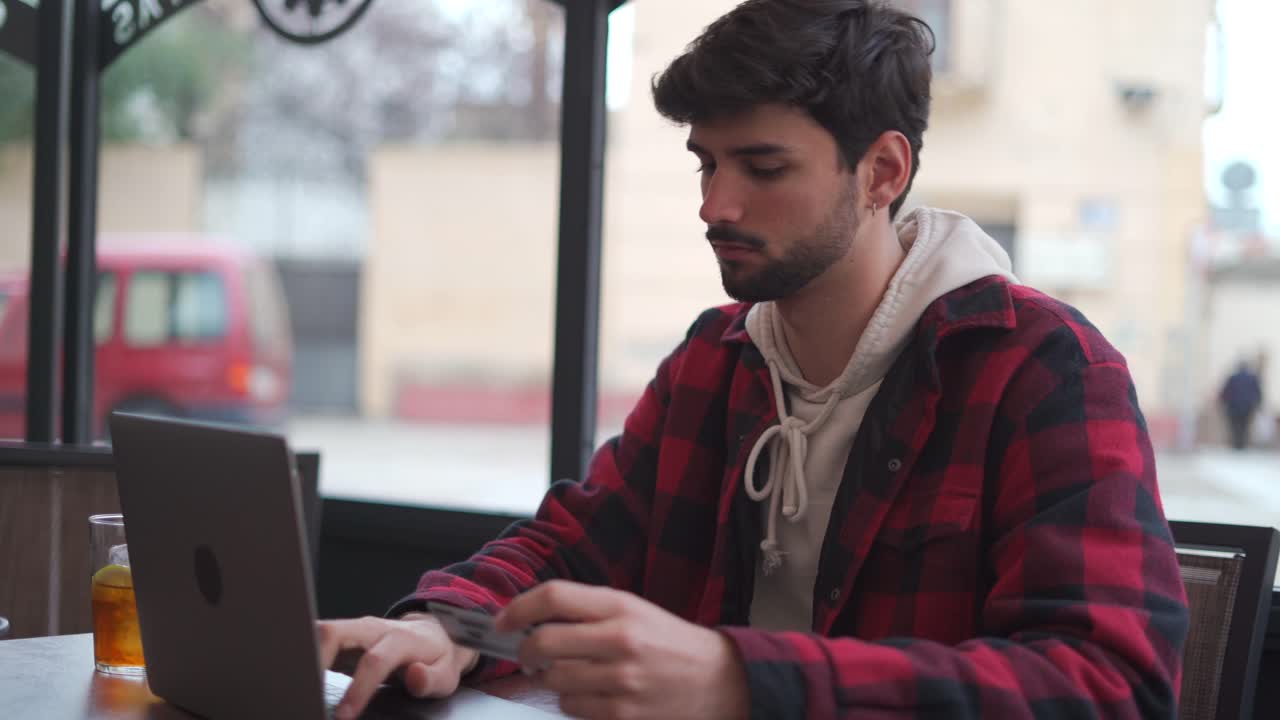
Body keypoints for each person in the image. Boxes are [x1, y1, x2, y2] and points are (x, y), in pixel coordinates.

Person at [319, 1, 1190, 718]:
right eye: (705, 164)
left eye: (763, 167)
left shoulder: (1042, 368)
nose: (714, 204)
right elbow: (575, 544)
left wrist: (739, 680)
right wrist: (450, 627)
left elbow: (1109, 689)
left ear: (882, 171)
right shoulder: (716, 358)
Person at [1220, 360, 1263, 450]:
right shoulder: (1252, 378)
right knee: (1244, 425)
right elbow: (1257, 392)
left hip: (1233, 407)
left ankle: (1237, 444)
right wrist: (1258, 403)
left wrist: (1223, 402)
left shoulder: (1233, 378)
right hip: (1247, 407)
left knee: (1236, 426)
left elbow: (1225, 391)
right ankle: (1242, 444)